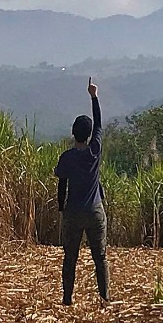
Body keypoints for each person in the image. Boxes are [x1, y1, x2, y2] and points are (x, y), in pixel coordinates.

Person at [53, 77, 108, 305]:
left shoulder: (67, 157)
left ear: (73, 133)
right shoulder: (94, 150)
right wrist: (94, 96)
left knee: (70, 258)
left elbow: (62, 184)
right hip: (95, 211)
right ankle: (104, 297)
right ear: (88, 134)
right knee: (100, 257)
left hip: (73, 212)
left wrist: (61, 207)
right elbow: (99, 124)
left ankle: (67, 299)